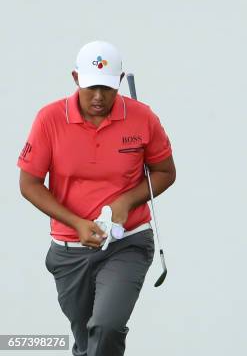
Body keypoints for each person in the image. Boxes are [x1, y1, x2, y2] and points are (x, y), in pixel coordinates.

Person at [18, 41, 176, 356]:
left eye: (107, 87)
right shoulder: (49, 119)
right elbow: (30, 184)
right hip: (69, 251)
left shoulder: (142, 118)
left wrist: (127, 201)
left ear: (120, 81)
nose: (99, 97)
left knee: (106, 326)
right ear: (76, 78)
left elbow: (165, 172)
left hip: (127, 242)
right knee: (86, 337)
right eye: (91, 87)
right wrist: (76, 222)